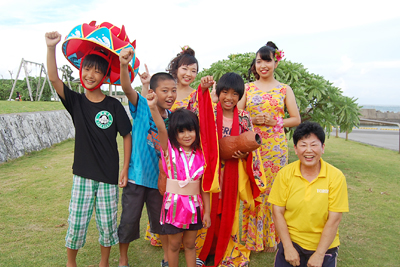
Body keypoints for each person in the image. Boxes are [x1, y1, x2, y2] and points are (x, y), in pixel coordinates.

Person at [45, 31, 132, 267]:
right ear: (80, 69)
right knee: (77, 223)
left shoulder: (114, 105)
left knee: (107, 224)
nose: (91, 74)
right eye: (87, 68)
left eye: (97, 71)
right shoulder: (76, 102)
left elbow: (126, 135)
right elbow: (53, 79)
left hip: (108, 178)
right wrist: (51, 47)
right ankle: (70, 263)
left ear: (104, 76)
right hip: (82, 176)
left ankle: (104, 263)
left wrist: (124, 169)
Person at [196, 73, 266, 267]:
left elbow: (251, 146)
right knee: (209, 208)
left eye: (235, 93)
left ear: (240, 96)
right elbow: (195, 114)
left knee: (229, 210)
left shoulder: (244, 117)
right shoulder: (209, 111)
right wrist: (202, 90)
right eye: (225, 92)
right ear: (218, 92)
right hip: (211, 171)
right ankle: (204, 247)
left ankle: (226, 247)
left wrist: (245, 155)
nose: (229, 97)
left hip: (233, 172)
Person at [238, 41, 301, 253]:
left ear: (275, 63)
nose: (263, 65)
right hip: (252, 147)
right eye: (259, 61)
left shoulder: (284, 89)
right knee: (253, 189)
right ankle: (252, 238)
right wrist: (253, 118)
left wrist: (277, 122)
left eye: (267, 60)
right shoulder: (247, 88)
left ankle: (272, 239)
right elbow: (235, 115)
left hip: (276, 149)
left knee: (274, 192)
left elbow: (296, 119)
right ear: (254, 65)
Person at [117, 48, 176, 267]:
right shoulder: (141, 106)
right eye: (164, 91)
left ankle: (167, 260)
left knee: (161, 223)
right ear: (153, 92)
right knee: (129, 221)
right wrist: (124, 65)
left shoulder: (172, 118)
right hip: (136, 178)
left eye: (173, 91)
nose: (170, 95)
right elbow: (125, 87)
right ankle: (123, 260)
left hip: (159, 182)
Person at [268, 121, 349, 267]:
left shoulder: (336, 177)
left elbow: (334, 219)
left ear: (323, 147)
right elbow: (277, 211)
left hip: (324, 247)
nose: (308, 150)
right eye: (303, 145)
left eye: (314, 145)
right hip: (292, 243)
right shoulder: (285, 174)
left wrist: (319, 254)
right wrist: (288, 247)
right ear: (295, 149)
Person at [146, 92, 211, 267]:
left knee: (190, 245)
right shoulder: (169, 150)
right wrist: (153, 106)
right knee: (174, 246)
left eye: (190, 130)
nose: (186, 135)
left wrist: (207, 212)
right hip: (173, 207)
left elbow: (204, 187)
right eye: (181, 131)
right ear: (174, 133)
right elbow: (160, 128)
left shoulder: (202, 155)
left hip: (195, 207)